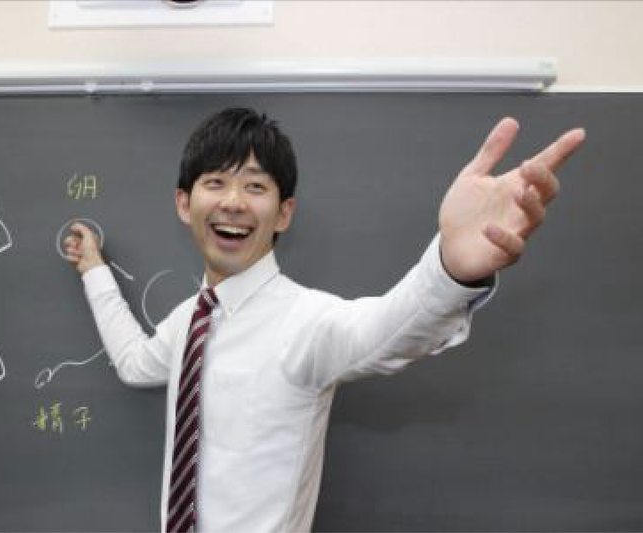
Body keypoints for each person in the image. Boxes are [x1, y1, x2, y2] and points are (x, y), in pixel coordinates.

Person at [64, 107, 585, 532]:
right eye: (215, 182)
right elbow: (134, 363)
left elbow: (386, 330)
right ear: (184, 203)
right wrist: (93, 270)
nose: (233, 202)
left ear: (284, 213)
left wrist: (450, 269)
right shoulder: (188, 321)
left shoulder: (306, 321)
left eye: (255, 187)